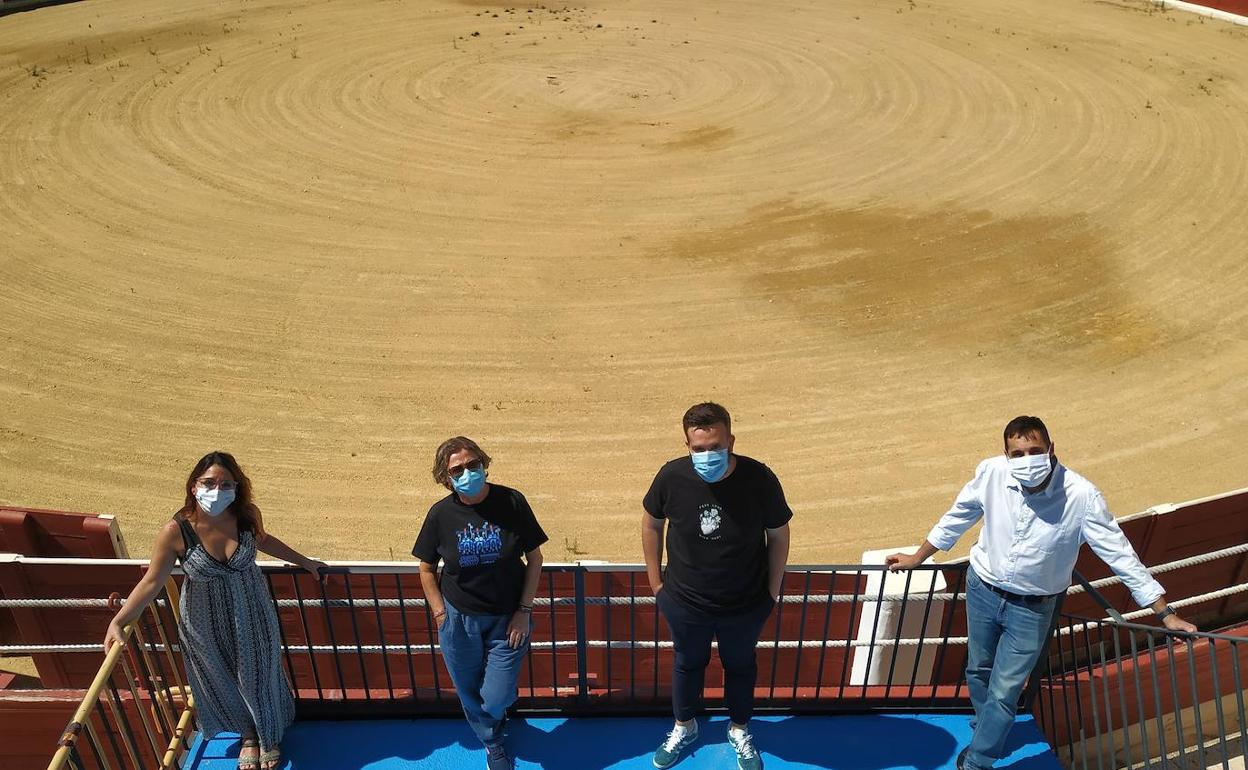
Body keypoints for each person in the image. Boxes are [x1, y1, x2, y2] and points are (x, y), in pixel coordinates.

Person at [885, 416, 1197, 770]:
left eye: (1035, 450)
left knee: (1005, 689)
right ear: (1006, 455)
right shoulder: (991, 473)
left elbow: (1120, 555)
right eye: (1017, 453)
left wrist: (1164, 613)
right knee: (978, 670)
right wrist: (918, 558)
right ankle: (988, 725)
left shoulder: (1081, 495)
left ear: (1051, 449)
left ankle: (979, 759)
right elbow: (959, 515)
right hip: (983, 589)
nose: (1027, 458)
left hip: (1033, 608)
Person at [105, 451, 327, 770]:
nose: (217, 489)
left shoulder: (247, 515)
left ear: (237, 488)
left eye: (226, 484)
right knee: (222, 679)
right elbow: (153, 580)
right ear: (194, 486)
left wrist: (303, 561)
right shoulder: (175, 530)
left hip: (253, 613)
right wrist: (118, 620)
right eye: (209, 482)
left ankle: (269, 737)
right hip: (203, 621)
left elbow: (264, 541)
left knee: (259, 675)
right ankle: (249, 736)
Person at [642, 402, 792, 770]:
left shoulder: (760, 479)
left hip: (745, 602)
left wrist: (772, 591)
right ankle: (684, 726)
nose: (708, 455)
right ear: (687, 445)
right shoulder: (671, 477)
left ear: (731, 440)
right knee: (687, 664)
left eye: (716, 447)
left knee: (740, 666)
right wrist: (656, 584)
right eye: (699, 449)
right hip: (684, 600)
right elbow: (651, 524)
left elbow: (779, 533)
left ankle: (739, 729)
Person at [414, 436, 548, 770]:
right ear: (446, 479)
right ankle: (492, 742)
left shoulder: (512, 502)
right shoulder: (441, 515)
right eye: (457, 469)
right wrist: (440, 612)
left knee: (496, 695)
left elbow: (535, 559)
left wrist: (524, 611)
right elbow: (426, 568)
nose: (467, 472)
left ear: (484, 464)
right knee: (469, 689)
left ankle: (497, 714)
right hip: (459, 618)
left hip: (509, 618)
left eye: (473, 464)